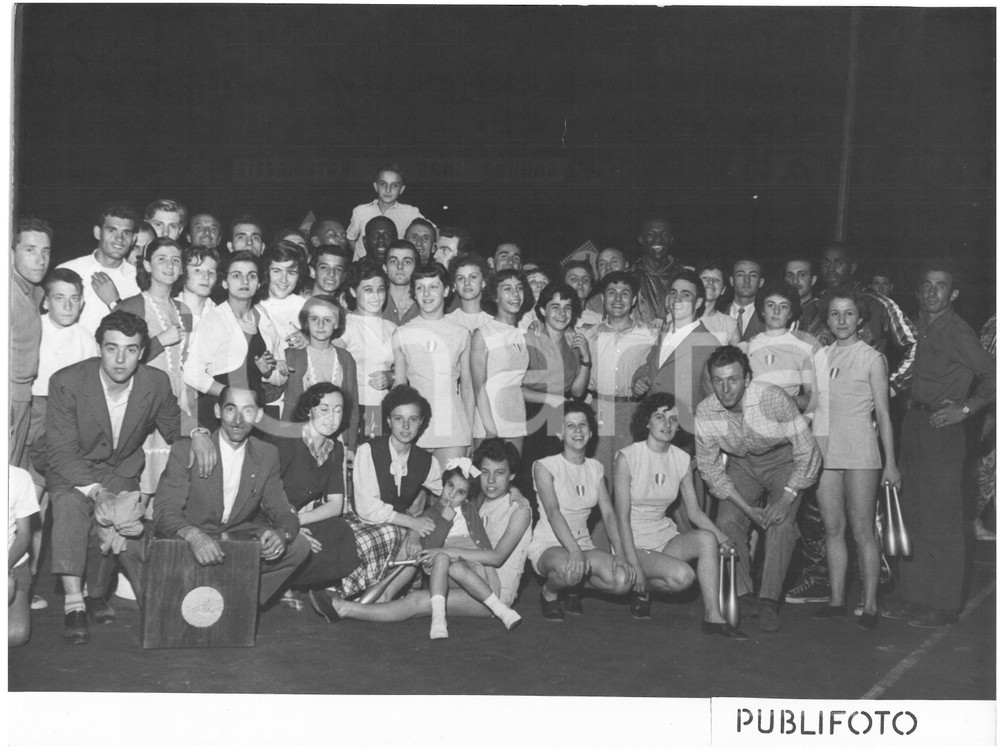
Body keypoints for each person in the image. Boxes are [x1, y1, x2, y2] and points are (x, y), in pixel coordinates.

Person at [46, 310, 215, 644]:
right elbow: (62, 451)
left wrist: (197, 431)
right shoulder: (66, 382)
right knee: (68, 510)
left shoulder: (154, 382)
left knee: (121, 523)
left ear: (142, 351)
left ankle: (95, 594)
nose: (120, 359)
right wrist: (96, 492)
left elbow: (172, 420)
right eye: (111, 348)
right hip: (72, 466)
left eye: (130, 350)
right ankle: (73, 603)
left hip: (120, 467)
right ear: (99, 347)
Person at [121, 385, 309, 608]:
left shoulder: (267, 453)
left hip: (233, 539)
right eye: (231, 410)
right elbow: (164, 510)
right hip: (188, 537)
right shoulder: (187, 448)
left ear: (258, 416)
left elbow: (280, 507)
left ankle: (237, 605)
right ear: (218, 411)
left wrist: (282, 533)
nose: (238, 420)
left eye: (248, 411)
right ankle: (169, 603)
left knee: (299, 546)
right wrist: (194, 536)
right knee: (129, 543)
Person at [310, 438, 532, 625]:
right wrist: (415, 535)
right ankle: (384, 593)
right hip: (467, 571)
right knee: (415, 540)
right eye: (485, 472)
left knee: (419, 600)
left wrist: (446, 552)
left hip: (496, 593)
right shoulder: (476, 498)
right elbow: (432, 517)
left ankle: (345, 609)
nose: (491, 481)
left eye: (500, 474)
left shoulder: (520, 509)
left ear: (512, 476)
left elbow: (497, 557)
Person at [883, 262, 995, 628]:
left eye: (941, 286)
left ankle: (944, 604)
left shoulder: (958, 332)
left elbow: (992, 377)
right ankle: (913, 596)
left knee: (943, 518)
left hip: (941, 430)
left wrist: (964, 409)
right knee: (913, 511)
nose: (933, 292)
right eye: (927, 285)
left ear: (954, 294)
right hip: (914, 423)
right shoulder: (924, 328)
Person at [695, 346, 822, 633]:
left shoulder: (773, 398)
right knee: (727, 521)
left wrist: (787, 497)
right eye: (718, 381)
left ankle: (768, 600)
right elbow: (711, 471)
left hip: (783, 460)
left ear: (748, 379)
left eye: (733, 380)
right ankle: (743, 594)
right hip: (743, 464)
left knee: (780, 522)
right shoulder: (706, 412)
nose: (725, 389)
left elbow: (808, 452)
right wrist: (746, 508)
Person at [613, 393, 747, 639]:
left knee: (707, 538)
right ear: (647, 422)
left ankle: (713, 617)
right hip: (633, 540)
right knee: (683, 577)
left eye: (673, 419)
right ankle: (637, 585)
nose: (667, 424)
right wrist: (633, 563)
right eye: (660, 417)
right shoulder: (627, 457)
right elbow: (621, 518)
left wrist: (721, 537)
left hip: (663, 537)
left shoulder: (682, 459)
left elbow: (694, 512)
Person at [810, 288, 899, 629]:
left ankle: (872, 604)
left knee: (863, 530)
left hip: (861, 451)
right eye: (835, 314)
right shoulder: (820, 356)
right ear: (827, 319)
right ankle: (835, 601)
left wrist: (890, 463)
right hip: (825, 451)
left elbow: (885, 415)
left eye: (849, 314)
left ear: (860, 319)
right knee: (833, 528)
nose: (842, 320)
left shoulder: (872, 358)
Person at [26, 269, 99, 608]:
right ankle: (21, 590)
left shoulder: (86, 338)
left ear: (82, 302)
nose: (67, 305)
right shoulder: (34, 330)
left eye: (74, 298)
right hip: (34, 415)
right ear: (45, 301)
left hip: (70, 421)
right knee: (31, 505)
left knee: (69, 500)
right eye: (59, 297)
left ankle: (79, 585)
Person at [528, 401, 638, 620]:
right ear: (560, 433)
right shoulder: (544, 465)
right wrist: (575, 552)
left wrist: (621, 555)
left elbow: (608, 514)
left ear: (590, 431)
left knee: (623, 580)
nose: (578, 431)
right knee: (569, 569)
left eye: (583, 424)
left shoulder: (596, 468)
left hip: (583, 544)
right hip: (550, 543)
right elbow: (553, 511)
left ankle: (574, 585)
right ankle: (550, 593)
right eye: (570, 426)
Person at [346, 385, 444, 601]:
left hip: (396, 527)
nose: (406, 426)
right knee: (375, 537)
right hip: (360, 520)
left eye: (413, 419)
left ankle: (376, 594)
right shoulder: (368, 450)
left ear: (422, 422)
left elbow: (449, 494)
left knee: (392, 534)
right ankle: (353, 592)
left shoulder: (426, 461)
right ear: (388, 421)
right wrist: (411, 522)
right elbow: (366, 508)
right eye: (399, 419)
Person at [274, 384, 361, 606]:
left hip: (294, 519)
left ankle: (292, 581)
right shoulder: (287, 439)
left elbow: (335, 505)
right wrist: (287, 526)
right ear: (309, 410)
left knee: (340, 531)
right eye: (324, 409)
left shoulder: (335, 449)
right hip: (268, 518)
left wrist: (296, 522)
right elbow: (263, 494)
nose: (332, 417)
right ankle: (276, 582)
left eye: (338, 410)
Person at [416, 459, 523, 638]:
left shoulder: (470, 508)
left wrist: (514, 489)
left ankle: (500, 611)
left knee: (457, 566)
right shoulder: (430, 514)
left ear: (466, 496)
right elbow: (429, 548)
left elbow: (490, 487)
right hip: (443, 567)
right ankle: (438, 618)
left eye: (460, 492)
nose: (451, 494)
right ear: (443, 484)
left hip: (471, 563)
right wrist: (444, 521)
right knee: (443, 558)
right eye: (449, 485)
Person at [117, 237, 189, 499]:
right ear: (147, 265)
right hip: (145, 402)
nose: (170, 265)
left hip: (177, 401)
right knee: (139, 489)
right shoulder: (132, 305)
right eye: (162, 259)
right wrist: (159, 341)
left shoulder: (182, 309)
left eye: (176, 260)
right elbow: (119, 362)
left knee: (170, 488)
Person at [183, 251, 288, 429]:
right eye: (236, 275)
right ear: (225, 282)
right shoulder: (213, 319)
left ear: (259, 282)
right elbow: (192, 373)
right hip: (218, 412)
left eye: (252, 276)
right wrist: (227, 393)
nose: (245, 282)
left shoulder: (264, 319)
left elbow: (282, 377)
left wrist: (269, 373)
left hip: (253, 413)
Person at [392, 264, 474, 464]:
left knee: (450, 491)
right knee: (413, 495)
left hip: (453, 427)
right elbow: (400, 387)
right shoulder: (402, 333)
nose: (426, 294)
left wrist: (469, 433)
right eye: (420, 288)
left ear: (446, 290)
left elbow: (467, 387)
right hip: (415, 426)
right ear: (414, 293)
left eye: (433, 287)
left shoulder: (461, 333)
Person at [585, 271, 657, 478]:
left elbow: (656, 371)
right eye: (611, 293)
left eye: (624, 293)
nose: (617, 299)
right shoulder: (589, 334)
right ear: (602, 298)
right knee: (599, 474)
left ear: (633, 300)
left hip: (633, 408)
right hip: (600, 407)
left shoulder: (650, 335)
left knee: (631, 474)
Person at [633, 270, 718, 436]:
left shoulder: (709, 344)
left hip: (683, 435)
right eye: (673, 293)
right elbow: (652, 367)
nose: (677, 299)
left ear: (698, 302)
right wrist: (638, 379)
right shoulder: (663, 334)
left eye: (686, 295)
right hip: (651, 429)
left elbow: (714, 401)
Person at [521, 282, 592, 477]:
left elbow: (577, 391)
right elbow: (514, 389)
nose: (562, 313)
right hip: (531, 415)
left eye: (567, 307)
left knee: (561, 477)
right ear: (543, 310)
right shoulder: (529, 340)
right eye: (555, 307)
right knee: (533, 474)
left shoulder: (572, 343)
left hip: (560, 415)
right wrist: (550, 399)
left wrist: (586, 358)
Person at [281, 297, 360, 453]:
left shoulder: (345, 358)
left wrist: (351, 447)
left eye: (328, 320)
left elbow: (352, 407)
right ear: (306, 322)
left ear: (337, 324)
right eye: (314, 319)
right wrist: (269, 372)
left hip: (336, 439)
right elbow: (271, 394)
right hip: (297, 439)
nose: (321, 325)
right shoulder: (291, 355)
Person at [336, 261, 397, 442]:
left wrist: (391, 376)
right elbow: (332, 365)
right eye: (368, 290)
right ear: (354, 292)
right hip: (355, 406)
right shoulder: (346, 324)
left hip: (380, 407)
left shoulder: (392, 327)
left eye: (380, 289)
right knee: (354, 459)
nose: (376, 296)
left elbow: (405, 369)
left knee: (373, 459)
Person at [58, 202, 140, 337]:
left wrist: (114, 303)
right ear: (97, 232)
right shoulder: (69, 270)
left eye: (126, 233)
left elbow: (139, 332)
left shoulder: (139, 279)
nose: (119, 239)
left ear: (133, 239)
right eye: (112, 230)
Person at [471, 269, 531, 453]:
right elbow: (478, 387)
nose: (515, 294)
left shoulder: (522, 335)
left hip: (516, 419)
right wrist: (491, 431)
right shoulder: (483, 334)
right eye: (507, 289)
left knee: (512, 477)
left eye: (519, 288)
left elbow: (517, 385)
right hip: (490, 422)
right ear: (495, 296)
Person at [10, 217, 52, 466]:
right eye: (30, 250)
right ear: (10, 251)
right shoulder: (10, 295)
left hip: (23, 397)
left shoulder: (31, 290)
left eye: (45, 251)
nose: (40, 259)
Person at [743, 280, 818, 414]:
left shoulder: (804, 350)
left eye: (783, 306)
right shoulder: (746, 348)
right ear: (762, 310)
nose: (776, 311)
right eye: (770, 305)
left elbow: (812, 398)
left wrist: (792, 401)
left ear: (790, 313)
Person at [347, 163, 424, 260]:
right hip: (364, 269)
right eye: (383, 184)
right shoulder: (360, 211)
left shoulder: (410, 212)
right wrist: (362, 256)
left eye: (395, 185)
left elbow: (433, 231)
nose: (388, 190)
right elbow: (350, 239)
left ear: (402, 189)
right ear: (375, 186)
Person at [257, 241, 310, 352]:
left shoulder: (305, 307)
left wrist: (308, 338)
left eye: (291, 273)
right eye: (277, 271)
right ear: (266, 272)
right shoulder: (255, 305)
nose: (284, 280)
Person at [632, 216, 684, 326]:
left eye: (664, 234)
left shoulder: (683, 276)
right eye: (651, 234)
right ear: (641, 239)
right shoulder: (630, 277)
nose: (658, 239)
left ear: (671, 239)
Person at [9, 466, 40, 647]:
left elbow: (24, 535)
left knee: (16, 635)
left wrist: (6, 565)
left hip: (13, 563)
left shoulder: (19, 477)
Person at [446, 253, 494, 332]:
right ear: (455, 285)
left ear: (483, 282)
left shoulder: (493, 323)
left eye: (473, 277)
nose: (467, 283)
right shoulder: (447, 322)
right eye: (460, 278)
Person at [697, 262, 740, 346]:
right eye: (705, 278)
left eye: (717, 280)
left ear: (723, 289)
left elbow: (738, 357)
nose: (710, 282)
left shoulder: (729, 324)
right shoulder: (680, 318)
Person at [382, 240, 420, 326]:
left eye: (407, 262)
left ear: (416, 268)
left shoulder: (425, 304)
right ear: (385, 267)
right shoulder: (374, 302)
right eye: (393, 261)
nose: (400, 266)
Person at [728, 257, 766, 342]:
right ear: (731, 281)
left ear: (761, 282)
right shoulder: (718, 313)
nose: (746, 281)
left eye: (753, 275)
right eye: (740, 275)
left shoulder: (769, 318)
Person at [783, 256, 821, 332]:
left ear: (813, 280)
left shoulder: (821, 313)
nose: (795, 281)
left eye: (802, 275)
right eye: (790, 275)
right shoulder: (779, 311)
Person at [563, 260, 602, 330]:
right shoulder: (554, 317)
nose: (580, 283)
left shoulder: (599, 320)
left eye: (585, 280)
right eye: (573, 279)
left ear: (590, 288)